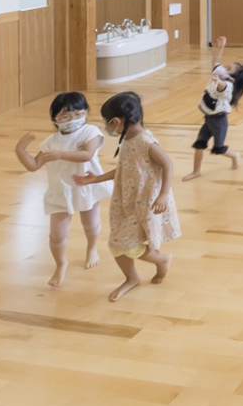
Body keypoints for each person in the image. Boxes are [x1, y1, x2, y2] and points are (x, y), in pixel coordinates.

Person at [69, 91, 180, 302]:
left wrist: (163, 194)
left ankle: (162, 260)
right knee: (118, 243)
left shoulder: (146, 142)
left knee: (126, 244)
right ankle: (132, 278)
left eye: (106, 123)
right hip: (126, 200)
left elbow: (167, 164)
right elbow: (124, 169)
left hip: (145, 201)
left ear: (116, 122)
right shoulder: (128, 139)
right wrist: (96, 179)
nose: (106, 127)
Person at [12, 91, 107, 289]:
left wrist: (61, 154)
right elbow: (33, 165)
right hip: (60, 191)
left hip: (86, 186)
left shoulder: (90, 131)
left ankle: (91, 248)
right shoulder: (50, 142)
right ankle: (61, 263)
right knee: (56, 235)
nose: (73, 120)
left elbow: (87, 155)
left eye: (78, 114)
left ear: (86, 112)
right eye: (66, 116)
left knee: (90, 225)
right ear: (55, 119)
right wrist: (20, 151)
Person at [186, 35, 243, 179]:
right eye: (226, 67)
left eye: (229, 69)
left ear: (233, 77)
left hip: (219, 121)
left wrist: (218, 81)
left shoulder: (228, 85)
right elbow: (215, 62)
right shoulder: (220, 74)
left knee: (219, 148)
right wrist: (220, 47)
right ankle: (196, 171)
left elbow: (223, 87)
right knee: (199, 144)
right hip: (209, 118)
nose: (224, 68)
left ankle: (235, 156)